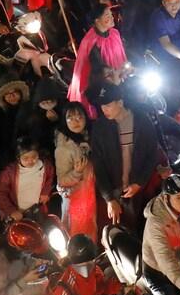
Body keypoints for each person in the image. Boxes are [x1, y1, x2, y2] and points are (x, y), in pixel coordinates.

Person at [91, 84, 164, 227]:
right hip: (114, 191)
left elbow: (152, 154)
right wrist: (109, 198)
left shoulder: (141, 121)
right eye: (102, 106)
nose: (104, 110)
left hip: (140, 189)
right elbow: (98, 164)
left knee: (142, 228)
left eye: (108, 105)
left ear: (120, 102)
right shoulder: (100, 127)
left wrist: (139, 183)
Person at [55, 100, 98, 240]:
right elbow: (62, 181)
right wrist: (76, 172)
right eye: (70, 118)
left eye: (79, 117)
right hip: (75, 200)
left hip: (90, 195)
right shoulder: (64, 147)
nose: (75, 122)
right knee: (77, 235)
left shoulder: (89, 138)